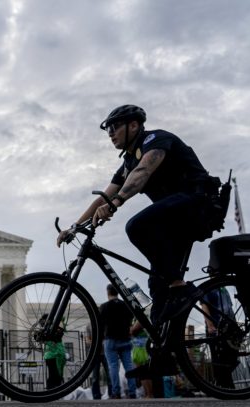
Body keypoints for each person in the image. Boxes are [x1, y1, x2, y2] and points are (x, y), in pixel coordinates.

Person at [58, 105, 220, 374]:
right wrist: (75, 227)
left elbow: (143, 171)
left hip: (198, 202)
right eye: (108, 130)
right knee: (157, 285)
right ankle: (163, 358)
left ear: (133, 125)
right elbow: (104, 197)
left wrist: (118, 202)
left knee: (138, 226)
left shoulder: (154, 140)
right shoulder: (127, 162)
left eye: (114, 127)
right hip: (175, 218)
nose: (110, 134)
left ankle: (182, 288)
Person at [99, 284, 137, 398]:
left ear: (108, 292)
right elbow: (131, 319)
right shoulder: (126, 305)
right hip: (125, 338)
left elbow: (100, 324)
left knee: (113, 366)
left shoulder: (104, 307)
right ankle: (132, 392)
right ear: (118, 292)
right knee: (129, 365)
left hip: (110, 339)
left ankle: (116, 392)